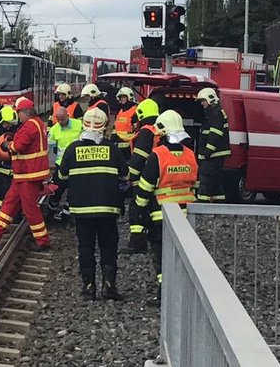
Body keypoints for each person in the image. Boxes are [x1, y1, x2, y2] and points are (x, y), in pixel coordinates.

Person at [57, 108, 128, 300]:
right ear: (104, 127)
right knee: (108, 246)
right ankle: (109, 286)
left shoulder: (72, 149)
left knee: (86, 247)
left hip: (81, 209)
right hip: (108, 209)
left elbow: (61, 177)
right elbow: (125, 177)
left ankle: (89, 287)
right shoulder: (112, 149)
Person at [130, 110, 197, 300]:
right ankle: (178, 290)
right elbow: (196, 186)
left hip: (161, 217)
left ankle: (164, 293)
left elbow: (145, 188)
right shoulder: (191, 156)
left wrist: (139, 211)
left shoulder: (157, 156)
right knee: (180, 256)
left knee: (161, 256)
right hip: (185, 216)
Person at [0, 97, 51, 249]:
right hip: (25, 174)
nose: (18, 116)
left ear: (25, 112)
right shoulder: (38, 123)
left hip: (28, 173)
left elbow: (19, 146)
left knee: (29, 208)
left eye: (19, 112)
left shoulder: (29, 125)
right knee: (9, 203)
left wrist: (6, 144)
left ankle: (42, 240)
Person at [126, 98, 160, 253]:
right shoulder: (157, 129)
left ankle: (137, 245)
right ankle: (151, 239)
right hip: (156, 176)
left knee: (136, 210)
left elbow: (139, 157)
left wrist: (128, 176)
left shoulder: (146, 132)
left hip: (142, 178)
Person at [196, 88, 230, 203]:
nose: (202, 104)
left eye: (203, 101)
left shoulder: (215, 113)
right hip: (216, 154)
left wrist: (206, 153)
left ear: (210, 99)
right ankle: (219, 204)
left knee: (206, 177)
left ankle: (202, 203)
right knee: (216, 181)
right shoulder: (215, 112)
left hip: (213, 154)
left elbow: (215, 135)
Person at [112, 87, 137, 162]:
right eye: (121, 97)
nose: (122, 99)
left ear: (129, 97)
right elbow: (115, 126)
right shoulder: (120, 111)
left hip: (129, 146)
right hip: (117, 144)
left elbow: (136, 129)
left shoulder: (134, 111)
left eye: (124, 97)